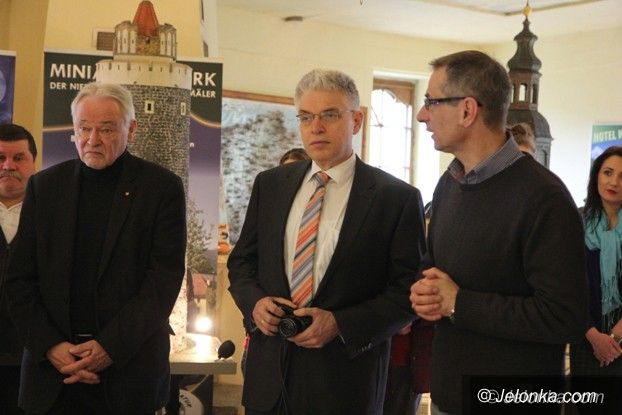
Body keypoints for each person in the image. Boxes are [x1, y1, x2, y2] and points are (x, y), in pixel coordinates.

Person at [228, 69, 426, 415]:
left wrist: (340, 324)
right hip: (269, 381)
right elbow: (242, 263)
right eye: (306, 117)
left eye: (329, 115)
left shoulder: (396, 198)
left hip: (345, 385)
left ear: (356, 120)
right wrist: (255, 304)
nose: (316, 127)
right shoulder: (270, 185)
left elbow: (408, 291)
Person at [409, 50, 589, 415]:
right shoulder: (449, 182)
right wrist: (425, 290)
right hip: (448, 397)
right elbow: (436, 269)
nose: (422, 115)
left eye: (431, 102)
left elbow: (564, 317)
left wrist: (459, 303)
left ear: (467, 110)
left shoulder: (545, 197)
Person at [5, 83, 187, 414]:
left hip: (128, 374)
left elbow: (162, 282)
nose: (92, 139)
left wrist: (108, 348)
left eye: (106, 129)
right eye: (84, 128)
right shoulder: (45, 187)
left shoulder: (161, 189)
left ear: (131, 129)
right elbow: (19, 279)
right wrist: (51, 347)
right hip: (51, 377)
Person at [570, 146, 622, 415]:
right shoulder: (575, 222)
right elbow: (565, 285)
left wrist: (614, 336)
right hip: (585, 338)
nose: (614, 182)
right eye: (608, 172)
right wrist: (593, 335)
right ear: (596, 176)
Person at [0, 123, 37, 415]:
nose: (8, 166)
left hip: (35, 360)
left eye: (18, 158)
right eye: (0, 158)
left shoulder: (56, 218)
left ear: (34, 162)